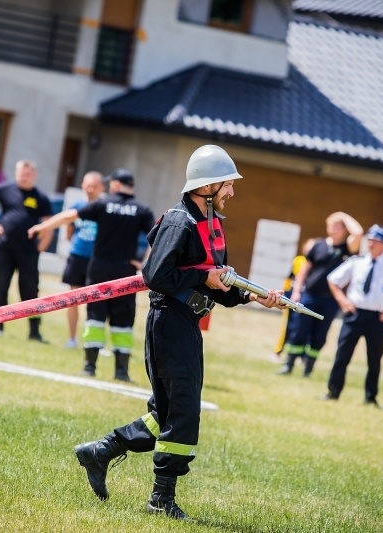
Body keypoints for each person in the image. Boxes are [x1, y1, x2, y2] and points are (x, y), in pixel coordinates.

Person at [69, 144, 286, 521]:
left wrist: (255, 297)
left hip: (187, 323)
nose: (232, 192)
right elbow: (155, 275)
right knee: (184, 410)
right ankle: (160, 498)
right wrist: (204, 275)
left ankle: (101, 451)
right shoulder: (179, 221)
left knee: (167, 411)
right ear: (207, 186)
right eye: (227, 184)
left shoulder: (212, 222)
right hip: (169, 322)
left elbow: (219, 286)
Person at [29, 168, 155, 382]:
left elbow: (70, 216)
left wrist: (43, 226)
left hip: (99, 269)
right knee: (123, 321)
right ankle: (121, 372)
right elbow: (157, 237)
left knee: (95, 317)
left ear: (115, 185)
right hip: (125, 272)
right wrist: (144, 263)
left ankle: (89, 367)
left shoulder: (102, 204)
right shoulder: (142, 209)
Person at [324, 225, 383, 406]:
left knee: (374, 359)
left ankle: (370, 397)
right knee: (342, 355)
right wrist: (343, 301)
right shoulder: (356, 262)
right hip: (354, 314)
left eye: (376, 241)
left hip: (377, 318)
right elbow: (333, 280)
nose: (371, 244)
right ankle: (333, 391)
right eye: (370, 240)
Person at [0, 159, 53, 342]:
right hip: (5, 248)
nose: (24, 177)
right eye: (20, 174)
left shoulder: (41, 197)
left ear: (35, 175)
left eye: (27, 174)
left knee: (30, 291)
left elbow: (49, 224)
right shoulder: (4, 189)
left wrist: (40, 247)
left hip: (28, 251)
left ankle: (34, 331)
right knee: (1, 286)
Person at [278, 213, 363, 377]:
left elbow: (358, 233)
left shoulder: (347, 248)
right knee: (299, 330)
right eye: (331, 225)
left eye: (337, 226)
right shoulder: (318, 245)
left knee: (320, 334)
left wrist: (342, 216)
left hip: (331, 299)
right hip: (309, 295)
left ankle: (308, 369)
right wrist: (297, 291)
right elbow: (305, 270)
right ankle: (288, 364)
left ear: (345, 229)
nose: (333, 229)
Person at [61, 171, 105, 349]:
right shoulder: (77, 206)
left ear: (101, 188)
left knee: (97, 301)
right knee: (73, 299)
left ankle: (95, 342)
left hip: (97, 260)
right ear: (82, 185)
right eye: (87, 184)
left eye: (94, 185)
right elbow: (69, 231)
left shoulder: (104, 207)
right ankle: (72, 338)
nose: (90, 189)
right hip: (77, 257)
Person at [271, 238, 316, 363]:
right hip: (292, 294)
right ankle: (278, 351)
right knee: (288, 325)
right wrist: (285, 293)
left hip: (307, 297)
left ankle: (302, 356)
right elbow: (289, 276)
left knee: (304, 327)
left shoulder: (319, 263)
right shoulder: (299, 260)